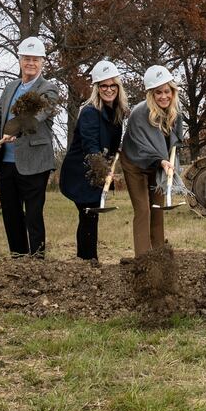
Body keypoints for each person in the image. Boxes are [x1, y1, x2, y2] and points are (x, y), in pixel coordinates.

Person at [0, 36, 61, 258]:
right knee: (11, 213)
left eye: (35, 59)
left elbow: (38, 115)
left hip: (35, 161)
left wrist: (14, 130)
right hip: (7, 161)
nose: (30, 63)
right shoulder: (10, 88)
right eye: (26, 58)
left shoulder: (49, 89)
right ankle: (18, 257)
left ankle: (36, 260)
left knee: (33, 214)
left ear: (42, 62)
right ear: (19, 60)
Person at [58, 59, 128, 261]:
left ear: (118, 87)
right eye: (103, 86)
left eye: (112, 85)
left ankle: (88, 259)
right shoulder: (90, 112)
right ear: (97, 88)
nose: (108, 89)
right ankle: (87, 260)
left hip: (97, 171)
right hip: (81, 172)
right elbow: (90, 146)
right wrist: (102, 169)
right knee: (88, 214)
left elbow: (113, 146)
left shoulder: (116, 113)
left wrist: (116, 156)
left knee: (91, 216)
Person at [119, 64, 188, 257]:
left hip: (159, 165)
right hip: (135, 163)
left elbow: (176, 140)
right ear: (151, 94)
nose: (164, 96)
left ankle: (159, 256)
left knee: (157, 209)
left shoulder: (176, 110)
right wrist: (161, 161)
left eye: (167, 91)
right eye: (158, 92)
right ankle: (144, 259)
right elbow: (142, 147)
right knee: (143, 210)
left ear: (172, 91)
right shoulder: (140, 113)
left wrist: (170, 160)